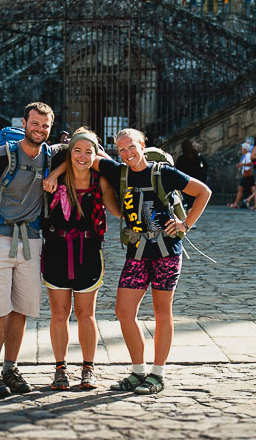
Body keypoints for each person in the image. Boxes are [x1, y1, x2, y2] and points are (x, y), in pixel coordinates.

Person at [58, 128, 211, 395]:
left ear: (142, 145)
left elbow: (203, 192)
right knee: (124, 311)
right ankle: (138, 371)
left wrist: (185, 224)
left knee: (162, 313)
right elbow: (81, 154)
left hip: (166, 250)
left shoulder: (164, 172)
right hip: (138, 252)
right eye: (122, 150)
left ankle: (158, 374)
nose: (128, 154)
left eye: (131, 147)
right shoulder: (119, 172)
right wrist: (54, 171)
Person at [0, 102, 60, 400]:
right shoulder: (2, 155)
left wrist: (55, 172)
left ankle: (11, 367)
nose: (39, 129)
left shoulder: (50, 155)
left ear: (50, 128)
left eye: (45, 126)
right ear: (24, 123)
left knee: (21, 308)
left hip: (31, 239)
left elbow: (88, 151)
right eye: (35, 124)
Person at [42, 128, 120, 391]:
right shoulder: (55, 179)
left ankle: (88, 368)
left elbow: (118, 211)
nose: (83, 156)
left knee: (87, 315)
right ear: (69, 152)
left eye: (89, 151)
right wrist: (54, 172)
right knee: (59, 314)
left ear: (97, 154)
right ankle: (60, 369)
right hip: (55, 251)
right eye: (77, 150)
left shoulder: (101, 181)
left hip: (88, 252)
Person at [175, 139, 208, 209]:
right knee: (192, 201)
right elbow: (204, 168)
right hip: (197, 181)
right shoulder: (198, 157)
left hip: (185, 181)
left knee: (187, 200)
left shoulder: (182, 158)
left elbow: (177, 170)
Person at [228, 142, 254, 208]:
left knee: (241, 189)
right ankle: (252, 203)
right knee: (250, 189)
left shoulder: (248, 155)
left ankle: (236, 204)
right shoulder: (246, 155)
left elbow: (251, 163)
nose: (241, 150)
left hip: (247, 176)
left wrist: (242, 164)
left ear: (245, 149)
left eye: (242, 149)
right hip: (247, 176)